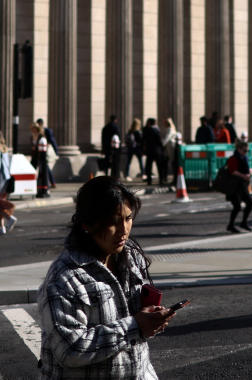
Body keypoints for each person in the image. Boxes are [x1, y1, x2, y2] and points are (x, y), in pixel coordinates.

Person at [37, 177, 179, 378]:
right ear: (87, 224)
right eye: (113, 222)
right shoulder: (65, 279)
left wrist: (152, 319)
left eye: (128, 218)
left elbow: (137, 327)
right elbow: (70, 350)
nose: (123, 230)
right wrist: (135, 326)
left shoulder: (131, 256)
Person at [224, 139, 252, 233]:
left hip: (242, 186)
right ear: (239, 149)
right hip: (235, 186)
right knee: (237, 206)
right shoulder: (234, 158)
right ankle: (231, 225)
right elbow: (233, 171)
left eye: (247, 151)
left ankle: (242, 222)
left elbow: (246, 168)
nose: (246, 152)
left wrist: (250, 172)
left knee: (249, 203)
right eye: (244, 150)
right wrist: (244, 176)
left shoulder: (243, 157)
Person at [142, 118, 167, 186]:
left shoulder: (146, 130)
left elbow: (143, 140)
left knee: (149, 166)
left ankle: (149, 181)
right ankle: (161, 180)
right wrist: (162, 147)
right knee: (159, 166)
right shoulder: (156, 130)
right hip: (157, 150)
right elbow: (159, 140)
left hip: (149, 150)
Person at [37, 118, 58, 190]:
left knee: (46, 168)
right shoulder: (38, 132)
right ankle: (49, 183)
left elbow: (52, 141)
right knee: (45, 168)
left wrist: (56, 152)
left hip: (45, 153)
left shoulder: (46, 131)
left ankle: (50, 183)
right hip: (40, 153)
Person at [101, 115, 121, 179]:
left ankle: (107, 174)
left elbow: (103, 138)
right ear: (116, 120)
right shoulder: (115, 127)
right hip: (114, 148)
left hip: (107, 147)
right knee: (115, 163)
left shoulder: (105, 127)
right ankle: (115, 176)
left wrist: (103, 148)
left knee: (107, 161)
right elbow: (118, 137)